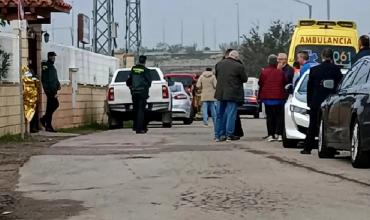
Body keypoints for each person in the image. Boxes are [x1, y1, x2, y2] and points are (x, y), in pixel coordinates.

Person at [301, 48, 343, 154]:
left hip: (316, 101)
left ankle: (307, 148)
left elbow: (309, 88)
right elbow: (340, 86)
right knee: (330, 125)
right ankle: (331, 148)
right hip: (331, 102)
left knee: (313, 125)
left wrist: (309, 103)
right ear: (332, 57)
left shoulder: (314, 70)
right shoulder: (336, 70)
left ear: (322, 56)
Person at [214, 50, 248, 142]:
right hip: (233, 93)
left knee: (219, 115)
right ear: (236, 57)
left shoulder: (219, 64)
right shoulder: (239, 66)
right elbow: (244, 79)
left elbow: (217, 76)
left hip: (220, 93)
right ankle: (229, 134)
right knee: (231, 114)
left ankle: (218, 135)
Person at [258, 54, 286, 142]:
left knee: (270, 116)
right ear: (276, 62)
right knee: (279, 116)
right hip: (279, 97)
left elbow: (260, 83)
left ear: (268, 62)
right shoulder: (280, 72)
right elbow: (284, 82)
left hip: (267, 98)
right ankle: (280, 134)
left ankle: (271, 135)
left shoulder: (264, 72)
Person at [126, 55, 152, 134]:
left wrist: (131, 87)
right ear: (144, 61)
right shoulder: (146, 70)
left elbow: (128, 81)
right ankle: (140, 129)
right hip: (142, 92)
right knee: (141, 110)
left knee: (135, 109)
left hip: (134, 92)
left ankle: (135, 126)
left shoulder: (133, 69)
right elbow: (149, 82)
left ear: (139, 60)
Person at [40, 52, 60, 132]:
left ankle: (47, 124)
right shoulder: (46, 65)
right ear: (49, 57)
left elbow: (54, 78)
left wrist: (58, 84)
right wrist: (48, 90)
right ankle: (45, 120)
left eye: (54, 57)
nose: (54, 58)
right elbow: (44, 79)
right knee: (55, 104)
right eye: (52, 57)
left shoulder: (52, 66)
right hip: (50, 90)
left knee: (50, 108)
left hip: (53, 89)